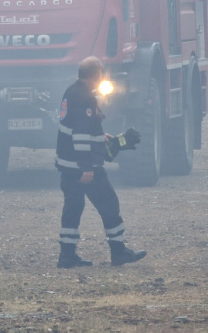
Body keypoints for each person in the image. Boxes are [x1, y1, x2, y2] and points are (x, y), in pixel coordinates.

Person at [55, 56, 147, 268]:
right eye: (101, 73)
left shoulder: (72, 92)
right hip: (85, 167)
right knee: (109, 204)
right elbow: (79, 136)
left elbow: (81, 128)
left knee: (73, 207)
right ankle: (119, 252)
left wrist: (102, 136)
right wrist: (87, 168)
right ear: (96, 74)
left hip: (68, 166)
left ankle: (67, 256)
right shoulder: (84, 97)